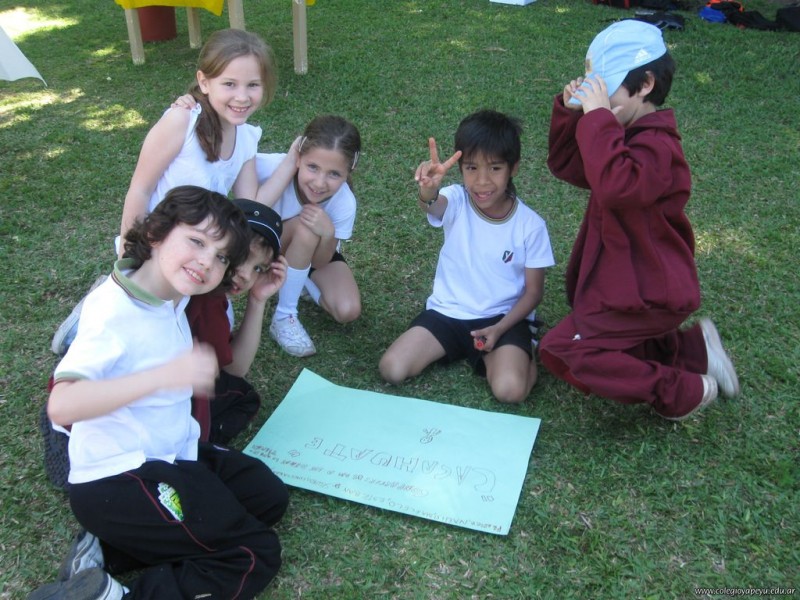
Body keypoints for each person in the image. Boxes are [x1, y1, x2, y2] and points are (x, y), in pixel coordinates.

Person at [31, 186, 289, 599]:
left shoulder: (171, 295)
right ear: (155, 234)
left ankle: (105, 551)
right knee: (253, 553)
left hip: (172, 455)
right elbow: (62, 406)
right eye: (197, 241)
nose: (207, 261)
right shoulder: (113, 311)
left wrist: (255, 297)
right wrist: (162, 376)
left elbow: (234, 365)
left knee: (266, 496)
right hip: (121, 477)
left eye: (222, 257)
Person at [50, 28, 296, 355]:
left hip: (199, 249)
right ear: (204, 82)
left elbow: (251, 207)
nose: (242, 96)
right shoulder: (183, 121)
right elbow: (140, 189)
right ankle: (91, 312)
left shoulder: (247, 138)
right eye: (229, 84)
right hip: (155, 248)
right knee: (128, 331)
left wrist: (292, 161)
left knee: (199, 331)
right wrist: (129, 259)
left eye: (253, 85)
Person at [539, 20, 739, 421]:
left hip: (649, 286)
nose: (598, 100)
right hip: (623, 281)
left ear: (645, 84)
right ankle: (693, 351)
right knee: (597, 339)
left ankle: (682, 391)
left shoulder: (658, 146)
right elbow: (566, 165)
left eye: (606, 88)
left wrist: (598, 120)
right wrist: (571, 113)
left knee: (568, 349)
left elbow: (618, 187)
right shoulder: (618, 132)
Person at [379, 110, 555, 404]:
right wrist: (428, 191)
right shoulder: (457, 199)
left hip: (503, 318)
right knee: (392, 369)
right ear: (460, 168)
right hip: (448, 313)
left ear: (514, 168)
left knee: (510, 390)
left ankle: (525, 353)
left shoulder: (531, 225)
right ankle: (467, 348)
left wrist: (499, 329)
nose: (482, 181)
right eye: (471, 168)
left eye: (495, 168)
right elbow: (434, 205)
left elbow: (534, 292)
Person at [255, 115, 362, 357]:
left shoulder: (344, 201)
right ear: (299, 156)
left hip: (314, 254)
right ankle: (284, 317)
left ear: (349, 170)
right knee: (306, 228)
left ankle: (297, 278)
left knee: (347, 310)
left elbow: (321, 262)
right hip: (264, 247)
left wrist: (328, 233)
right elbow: (228, 162)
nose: (319, 183)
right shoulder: (271, 166)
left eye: (334, 174)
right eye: (312, 167)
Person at [187, 199, 287, 444]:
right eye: (244, 256)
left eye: (259, 269)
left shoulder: (213, 296)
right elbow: (235, 370)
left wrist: (258, 300)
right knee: (244, 398)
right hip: (168, 402)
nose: (246, 275)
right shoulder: (207, 300)